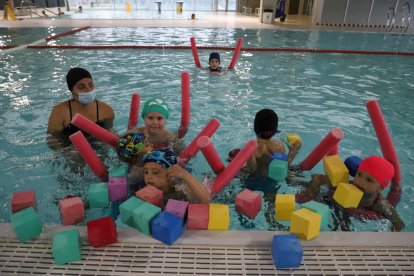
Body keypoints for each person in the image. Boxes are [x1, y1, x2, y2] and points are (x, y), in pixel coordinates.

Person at [297, 155, 405, 231]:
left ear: (380, 188)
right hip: (330, 201)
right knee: (295, 183)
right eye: (359, 174)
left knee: (343, 226)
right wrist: (311, 192)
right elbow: (317, 178)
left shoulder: (380, 204)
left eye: (369, 180)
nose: (360, 181)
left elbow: (398, 224)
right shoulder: (345, 184)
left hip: (347, 212)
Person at [232, 109, 301, 177]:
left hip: (253, 182)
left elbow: (252, 169)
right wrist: (292, 152)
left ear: (255, 128)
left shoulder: (251, 147)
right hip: (273, 181)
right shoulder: (278, 146)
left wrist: (236, 165)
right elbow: (281, 167)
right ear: (274, 131)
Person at [47, 67, 115, 136]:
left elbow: (110, 132)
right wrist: (66, 147)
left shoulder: (105, 109)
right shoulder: (60, 112)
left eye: (91, 85)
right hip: (69, 146)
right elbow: (53, 139)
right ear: (71, 90)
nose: (88, 90)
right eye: (81, 87)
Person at [143, 149, 211, 205]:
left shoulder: (180, 189)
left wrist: (185, 175)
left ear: (170, 174)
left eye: (155, 172)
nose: (148, 177)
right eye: (146, 172)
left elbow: (206, 201)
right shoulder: (144, 187)